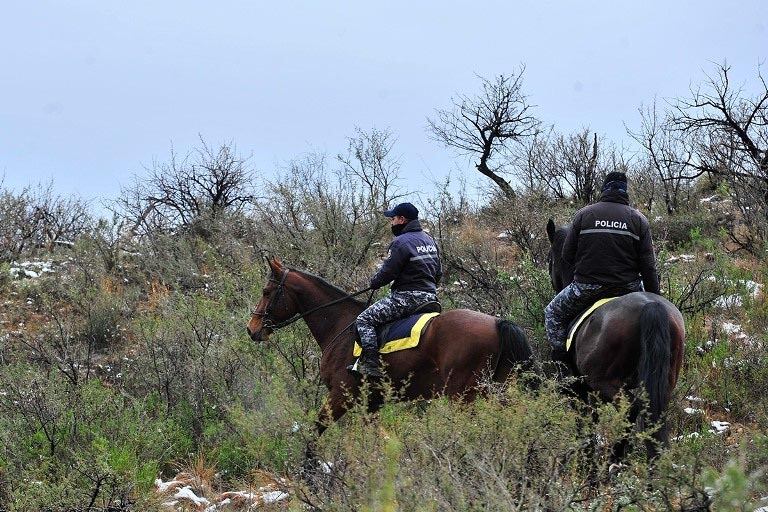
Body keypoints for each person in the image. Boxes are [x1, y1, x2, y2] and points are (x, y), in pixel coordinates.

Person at [544, 172, 660, 375]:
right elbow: (649, 267)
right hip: (629, 288)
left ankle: (563, 366)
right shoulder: (638, 220)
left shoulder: (584, 214)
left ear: (604, 189)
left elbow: (566, 255)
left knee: (552, 313)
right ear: (625, 191)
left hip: (587, 287)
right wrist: (654, 298)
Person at [349, 202, 442, 378]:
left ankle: (371, 365)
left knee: (364, 320)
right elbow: (439, 273)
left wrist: (374, 282)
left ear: (402, 219)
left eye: (392, 219)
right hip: (431, 299)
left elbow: (387, 272)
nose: (391, 222)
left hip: (406, 299)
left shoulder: (400, 242)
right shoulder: (429, 240)